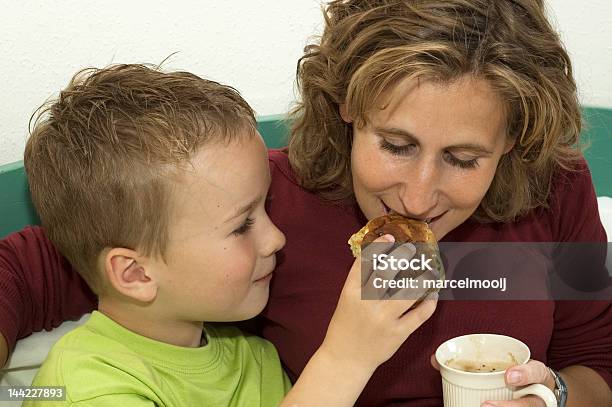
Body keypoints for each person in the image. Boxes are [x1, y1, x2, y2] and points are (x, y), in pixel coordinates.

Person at [0, 0, 610, 406]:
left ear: (513, 142)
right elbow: (37, 269)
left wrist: (550, 392)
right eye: (395, 145)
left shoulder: (554, 190)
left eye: (464, 158)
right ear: (347, 105)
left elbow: (598, 365)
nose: (419, 195)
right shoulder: (259, 204)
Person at [14, 63, 436, 406]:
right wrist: (345, 359)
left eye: (266, 208)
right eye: (242, 225)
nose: (276, 239)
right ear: (135, 275)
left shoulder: (252, 355)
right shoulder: (87, 387)